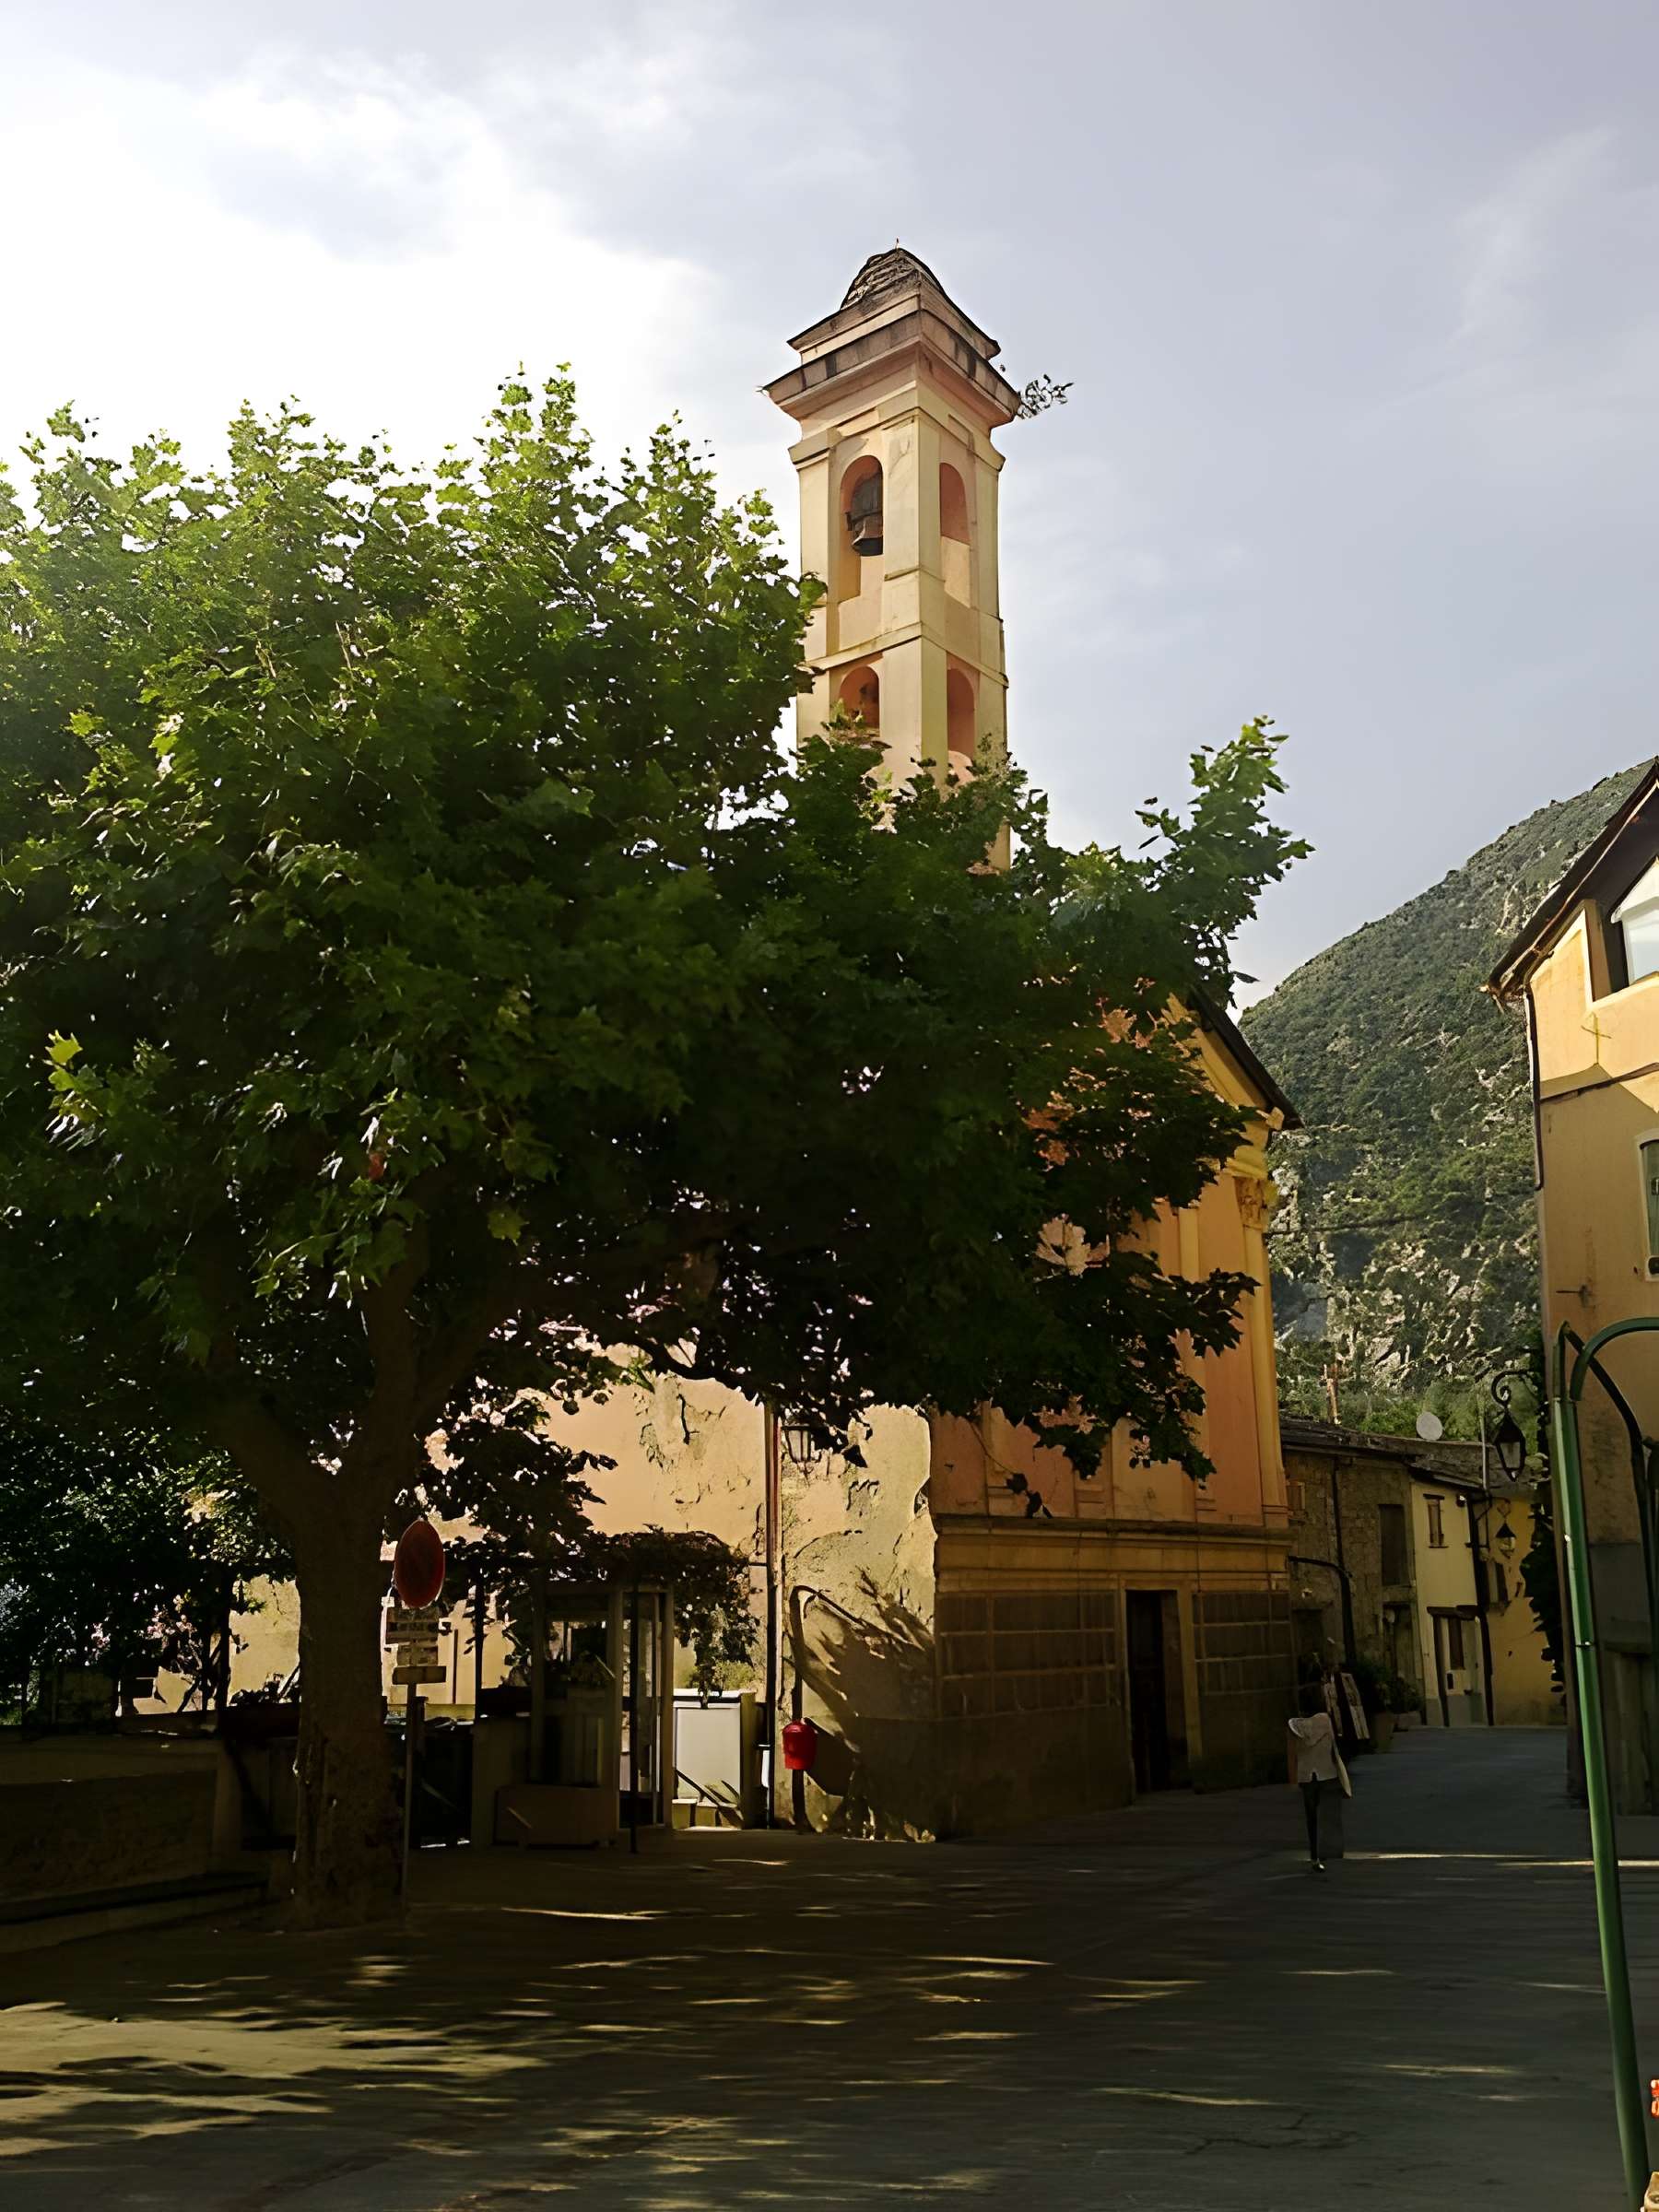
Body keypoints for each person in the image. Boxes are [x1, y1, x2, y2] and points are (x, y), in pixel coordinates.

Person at [1287, 1680, 1344, 1871]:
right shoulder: (1325, 1721)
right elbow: (1333, 1745)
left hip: (1306, 1775)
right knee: (1328, 1815)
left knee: (1311, 1816)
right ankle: (1330, 1849)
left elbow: (1291, 1754)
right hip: (1326, 1772)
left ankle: (1314, 1856)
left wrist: (1293, 1780)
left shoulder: (1294, 1726)